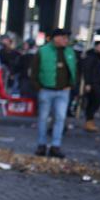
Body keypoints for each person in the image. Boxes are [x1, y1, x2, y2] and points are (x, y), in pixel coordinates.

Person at [30, 29, 76, 158]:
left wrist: (71, 85)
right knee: (43, 118)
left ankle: (56, 146)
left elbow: (74, 69)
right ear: (56, 38)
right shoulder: (43, 51)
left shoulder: (69, 52)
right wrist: (38, 87)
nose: (66, 40)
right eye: (64, 37)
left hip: (63, 91)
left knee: (60, 118)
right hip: (46, 89)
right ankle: (42, 144)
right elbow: (34, 70)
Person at [80, 40, 100, 132]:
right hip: (93, 83)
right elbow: (87, 70)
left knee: (95, 102)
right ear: (96, 46)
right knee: (94, 102)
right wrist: (88, 83)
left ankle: (90, 121)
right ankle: (89, 122)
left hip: (98, 83)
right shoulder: (92, 57)